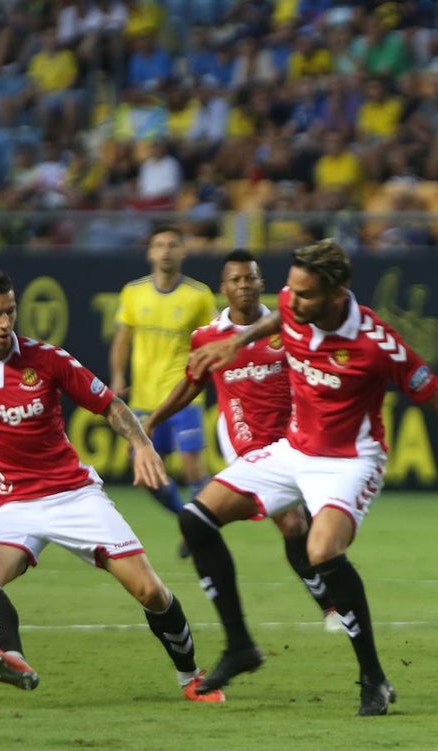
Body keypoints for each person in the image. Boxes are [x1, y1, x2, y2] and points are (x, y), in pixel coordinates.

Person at [179, 239, 438, 716]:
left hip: (351, 461)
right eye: (290, 290)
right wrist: (237, 341)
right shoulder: (293, 304)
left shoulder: (376, 343)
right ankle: (240, 645)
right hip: (293, 449)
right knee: (195, 519)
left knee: (321, 551)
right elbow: (281, 316)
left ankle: (373, 678)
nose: (291, 300)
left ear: (336, 293)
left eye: (305, 294)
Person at [0, 267, 223, 703]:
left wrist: (142, 444)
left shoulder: (47, 359)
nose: (5, 322)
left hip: (74, 495)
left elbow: (110, 404)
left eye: (10, 311)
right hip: (13, 507)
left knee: (150, 591)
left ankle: (191, 676)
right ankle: (12, 657)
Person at [143, 249, 342, 633]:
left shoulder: (287, 327)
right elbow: (192, 383)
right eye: (235, 280)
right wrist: (152, 421)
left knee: (320, 526)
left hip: (298, 439)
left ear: (261, 283)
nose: (244, 285)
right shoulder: (208, 337)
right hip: (248, 443)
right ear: (224, 288)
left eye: (250, 278)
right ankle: (330, 608)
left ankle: (332, 599)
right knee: (292, 522)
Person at [110, 226, 216, 541]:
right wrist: (118, 375)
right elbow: (122, 339)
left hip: (184, 395)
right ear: (150, 252)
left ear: (183, 252)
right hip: (144, 398)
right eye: (159, 245)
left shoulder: (198, 295)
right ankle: (190, 520)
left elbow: (212, 340)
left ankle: (199, 529)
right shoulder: (133, 292)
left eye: (172, 245)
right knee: (146, 473)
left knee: (193, 467)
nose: (166, 251)